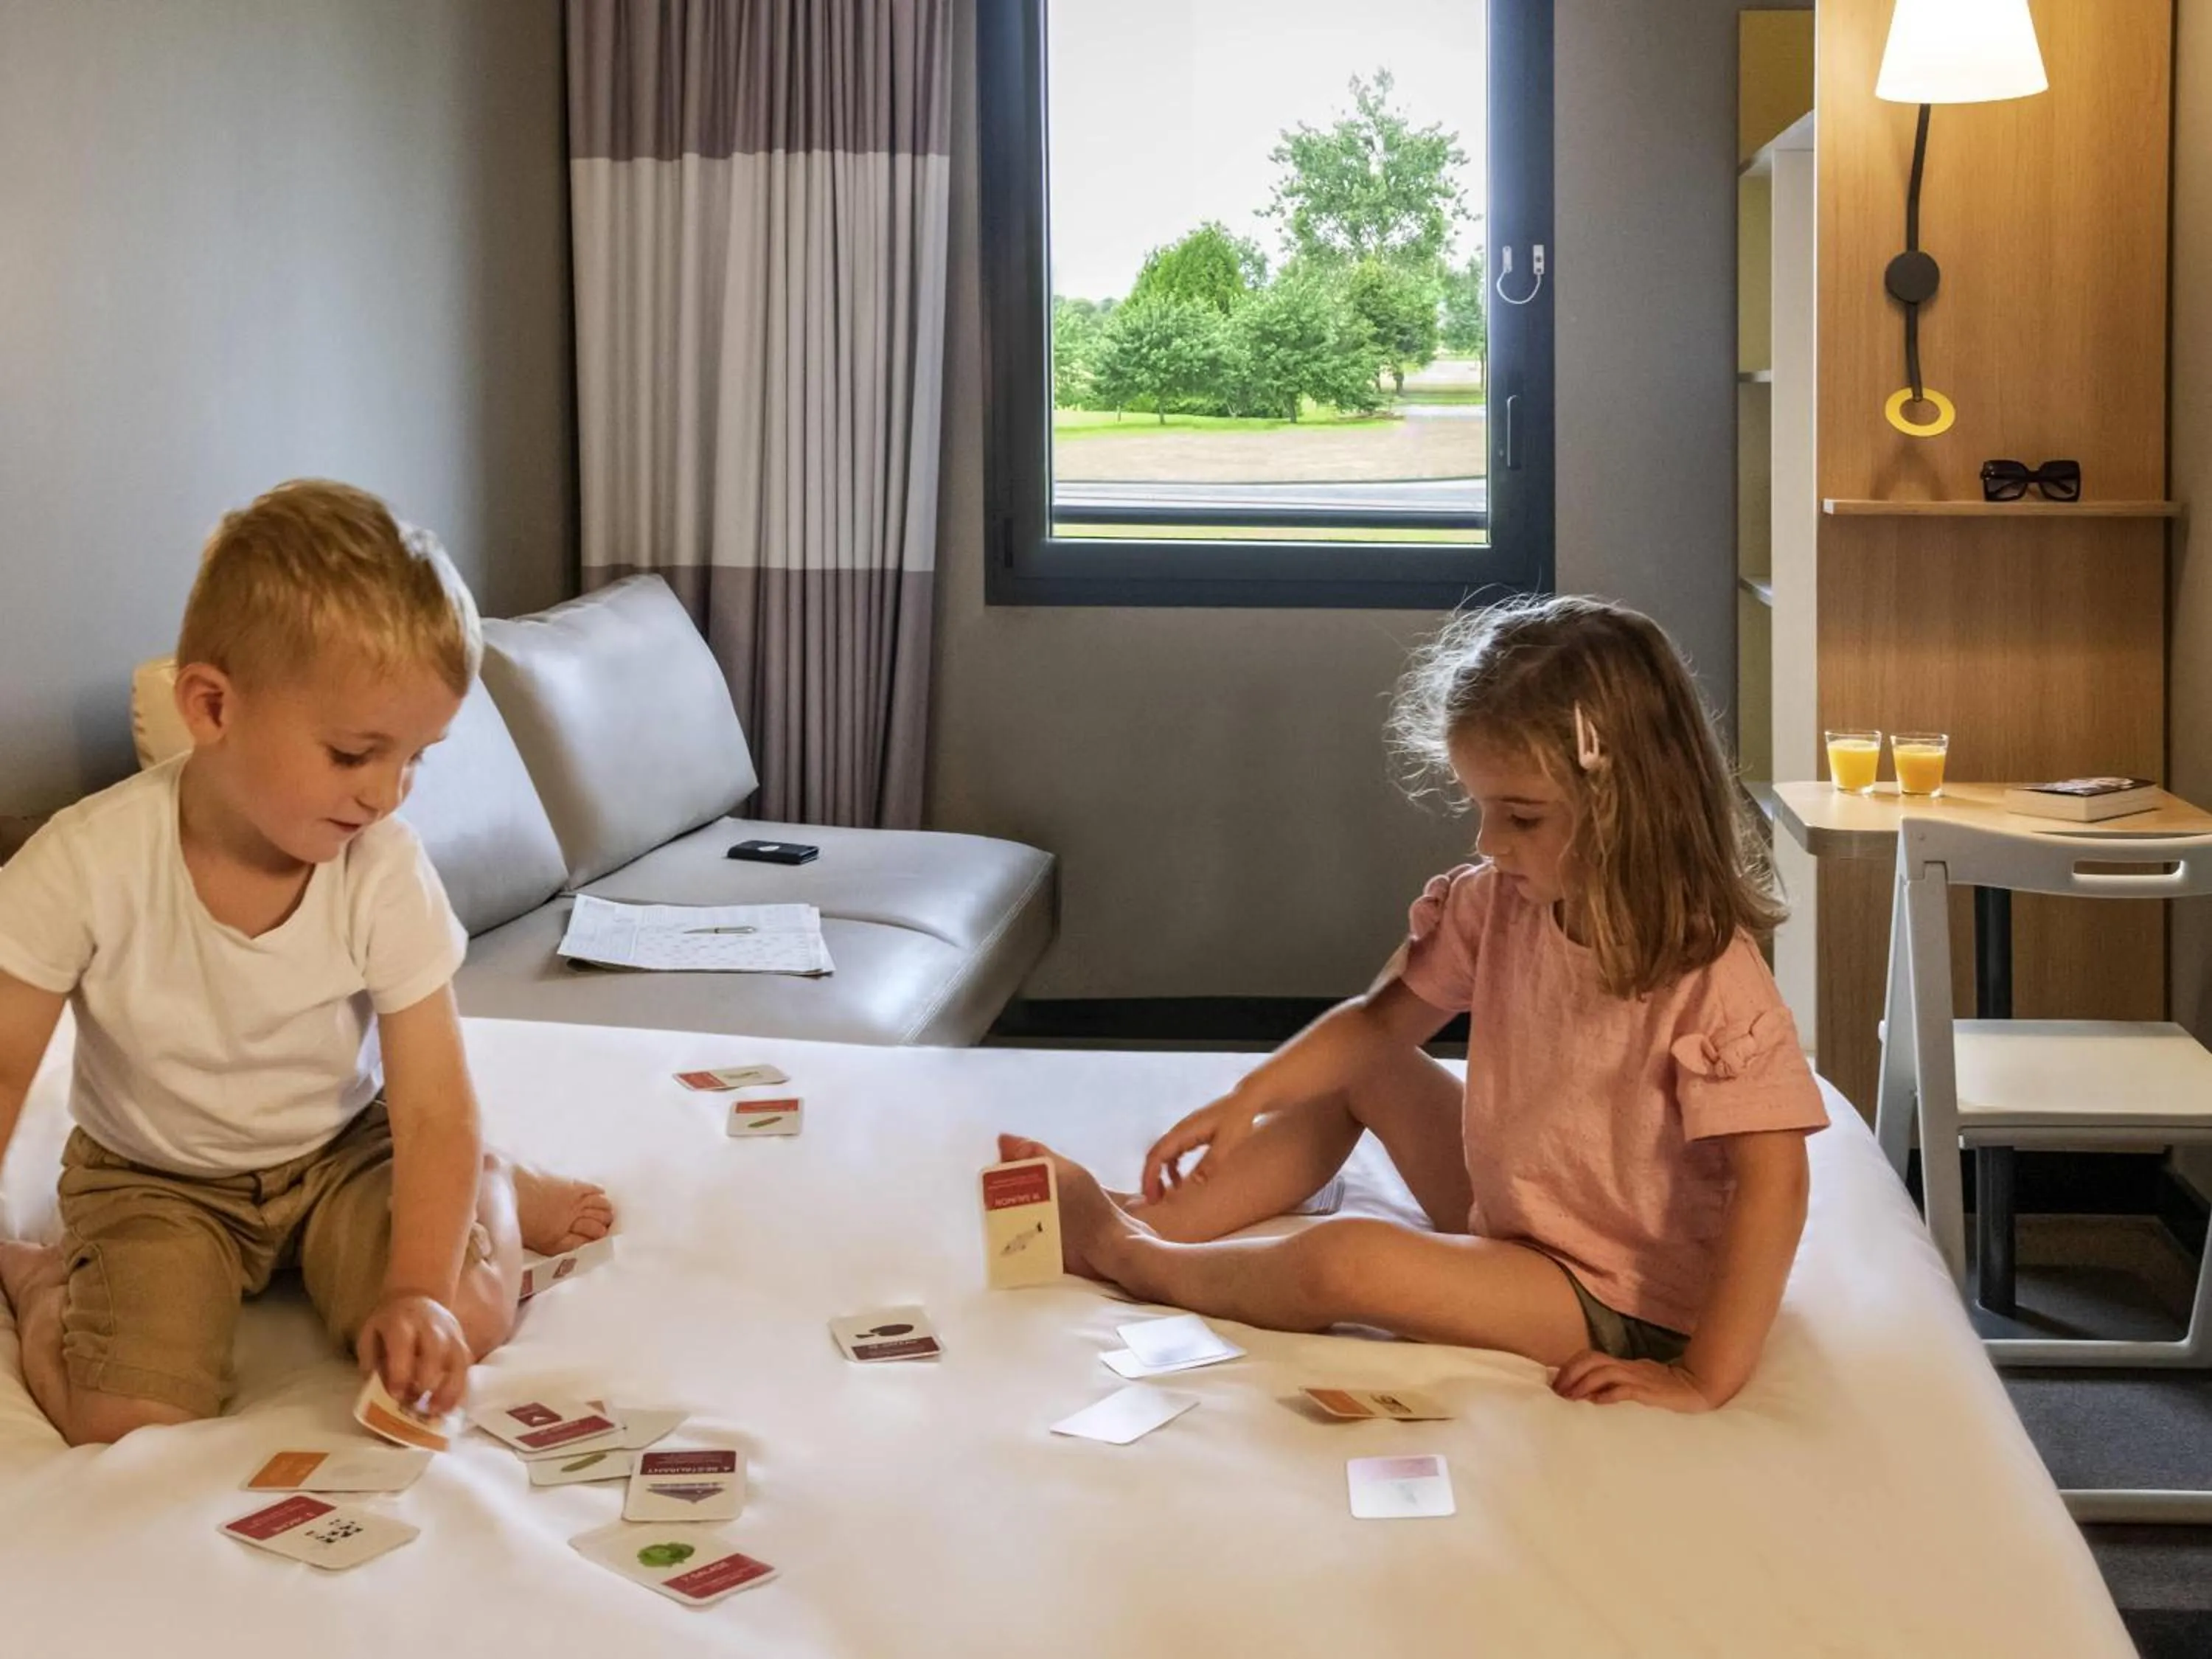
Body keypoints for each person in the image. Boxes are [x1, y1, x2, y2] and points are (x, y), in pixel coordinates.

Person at [1001, 594, 1827, 1411]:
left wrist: (1702, 1377)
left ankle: (1131, 1254)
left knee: (1346, 1263)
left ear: (1626, 810)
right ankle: (1165, 1218)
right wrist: (1247, 1099)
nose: (1488, 842)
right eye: (1481, 807)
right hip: (1521, 1212)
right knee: (1374, 1071)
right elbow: (1377, 1025)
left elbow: (1774, 1183)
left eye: (1521, 817)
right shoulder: (1498, 900)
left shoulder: (1708, 972)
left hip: (1616, 1295)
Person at [0, 480, 613, 1445]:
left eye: (417, 757)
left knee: (470, 1314)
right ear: (211, 706)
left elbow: (431, 1105)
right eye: (354, 752)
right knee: (124, 1415)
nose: (387, 792)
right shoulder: (86, 862)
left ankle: (493, 1182)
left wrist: (419, 1292)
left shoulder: (385, 869)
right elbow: (5, 1063)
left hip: (343, 1151)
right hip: (154, 1177)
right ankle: (40, 1281)